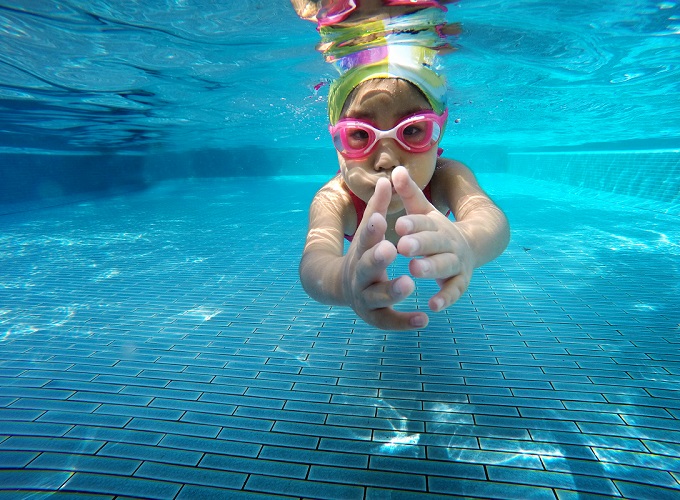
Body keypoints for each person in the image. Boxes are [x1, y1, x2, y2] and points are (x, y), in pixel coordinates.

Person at [295, 0, 510, 330]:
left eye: (412, 131)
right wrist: (342, 280)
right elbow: (314, 265)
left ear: (438, 134)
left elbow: (491, 221)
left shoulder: (446, 176)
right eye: (359, 136)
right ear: (336, 144)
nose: (386, 160)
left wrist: (467, 244)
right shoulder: (334, 198)